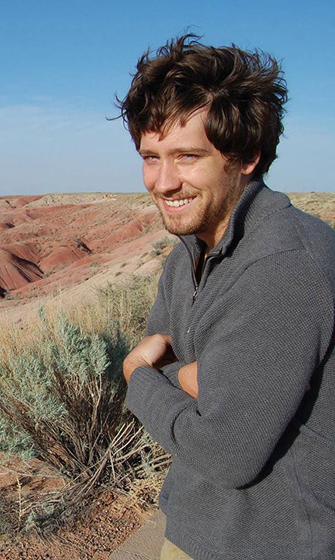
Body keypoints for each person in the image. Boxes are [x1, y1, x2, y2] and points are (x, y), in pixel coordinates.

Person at [115, 35, 335, 559]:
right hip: (198, 524)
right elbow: (166, 346)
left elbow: (227, 452)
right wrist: (200, 378)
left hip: (272, 542)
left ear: (247, 157)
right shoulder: (189, 249)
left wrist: (138, 377)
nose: (163, 182)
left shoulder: (281, 267)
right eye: (151, 157)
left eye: (187, 157)